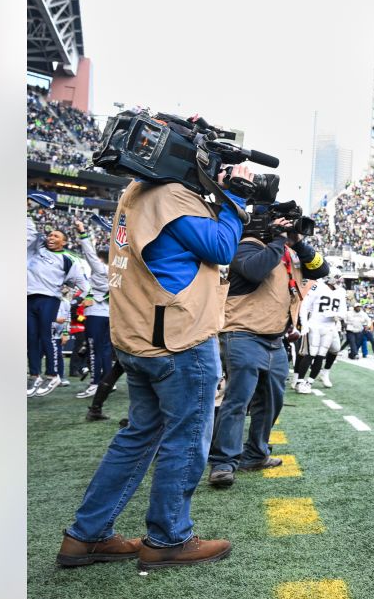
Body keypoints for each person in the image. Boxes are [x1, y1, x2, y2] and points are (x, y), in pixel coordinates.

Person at [58, 163, 251, 570]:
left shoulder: (136, 189)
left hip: (138, 334)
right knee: (185, 439)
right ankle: (169, 538)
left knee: (137, 436)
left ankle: (86, 536)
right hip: (177, 337)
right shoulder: (172, 194)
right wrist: (237, 196)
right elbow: (221, 248)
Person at [207, 210, 328, 488]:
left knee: (271, 401)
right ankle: (223, 462)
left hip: (276, 340)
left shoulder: (290, 253)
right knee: (238, 401)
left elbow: (322, 270)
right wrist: (276, 240)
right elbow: (255, 270)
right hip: (243, 334)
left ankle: (256, 453)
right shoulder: (246, 244)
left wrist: (297, 243)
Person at [27, 194, 91, 396]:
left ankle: (53, 375)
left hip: (49, 299)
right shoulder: (35, 250)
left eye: (56, 236)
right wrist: (27, 210)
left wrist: (76, 300)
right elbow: (29, 232)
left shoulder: (67, 260)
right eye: (50, 235)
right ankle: (35, 376)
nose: (50, 237)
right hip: (28, 298)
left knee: (46, 336)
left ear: (64, 242)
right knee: (30, 338)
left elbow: (84, 285)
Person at [73, 220, 114, 401]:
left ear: (101, 259)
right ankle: (107, 383)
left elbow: (89, 253)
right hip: (110, 315)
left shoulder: (99, 269)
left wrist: (83, 233)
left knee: (93, 349)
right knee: (105, 351)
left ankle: (95, 383)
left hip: (96, 314)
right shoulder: (119, 271)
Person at [297, 272, 345, 392]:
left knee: (321, 355)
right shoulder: (318, 286)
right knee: (310, 353)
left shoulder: (341, 292)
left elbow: (343, 312)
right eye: (337, 279)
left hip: (329, 327)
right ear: (330, 279)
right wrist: (304, 324)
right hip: (315, 324)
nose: (339, 282)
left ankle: (310, 382)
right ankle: (299, 381)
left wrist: (335, 314)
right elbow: (305, 306)